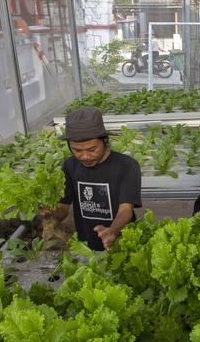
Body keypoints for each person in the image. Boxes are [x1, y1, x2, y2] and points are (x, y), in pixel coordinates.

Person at [44, 107, 142, 251]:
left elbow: (125, 210)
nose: (85, 156)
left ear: (105, 141)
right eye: (77, 150)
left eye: (92, 150)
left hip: (122, 244)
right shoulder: (70, 166)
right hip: (86, 247)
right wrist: (49, 211)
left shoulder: (126, 166)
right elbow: (63, 210)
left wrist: (113, 231)